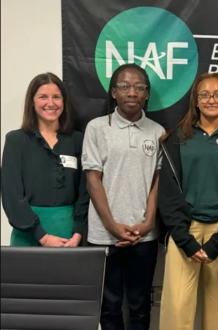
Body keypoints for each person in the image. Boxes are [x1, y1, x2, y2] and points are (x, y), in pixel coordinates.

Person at [158, 72, 218, 330]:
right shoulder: (175, 139)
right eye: (204, 94)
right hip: (184, 231)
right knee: (176, 311)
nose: (211, 99)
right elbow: (167, 194)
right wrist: (185, 240)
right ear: (196, 101)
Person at [82, 63, 165, 330]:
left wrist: (149, 222)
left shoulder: (157, 132)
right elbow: (93, 179)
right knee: (109, 307)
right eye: (125, 86)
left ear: (147, 94)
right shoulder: (96, 128)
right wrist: (112, 226)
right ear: (114, 93)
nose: (132, 92)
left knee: (140, 306)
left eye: (139, 87)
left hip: (144, 236)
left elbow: (156, 180)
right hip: (104, 235)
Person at [1, 72, 88, 247]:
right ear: (32, 102)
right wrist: (42, 236)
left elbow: (85, 190)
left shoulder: (78, 140)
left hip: (69, 236)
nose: (51, 103)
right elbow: (12, 195)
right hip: (28, 234)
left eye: (56, 97)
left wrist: (78, 231)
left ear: (64, 102)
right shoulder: (16, 140)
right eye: (43, 97)